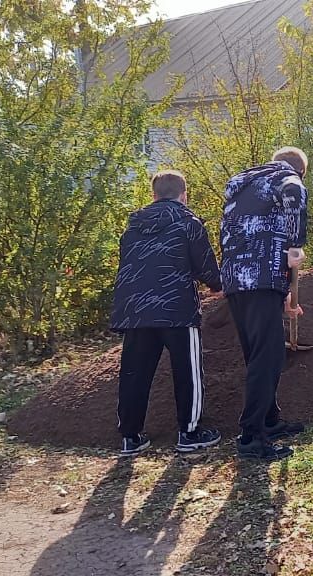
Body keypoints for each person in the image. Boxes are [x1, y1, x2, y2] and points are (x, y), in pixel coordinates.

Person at [110, 170, 224, 457]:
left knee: (135, 374)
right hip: (177, 310)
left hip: (135, 311)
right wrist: (217, 286)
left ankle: (130, 437)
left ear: (154, 195)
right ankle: (189, 432)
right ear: (184, 195)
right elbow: (205, 266)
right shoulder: (189, 222)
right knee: (187, 371)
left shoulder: (132, 227)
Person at [220, 147, 310, 461]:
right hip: (262, 275)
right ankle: (251, 437)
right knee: (269, 357)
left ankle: (269, 421)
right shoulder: (289, 180)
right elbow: (294, 203)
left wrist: (283, 292)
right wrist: (296, 246)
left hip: (234, 279)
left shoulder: (241, 182)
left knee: (256, 354)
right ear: (301, 170)